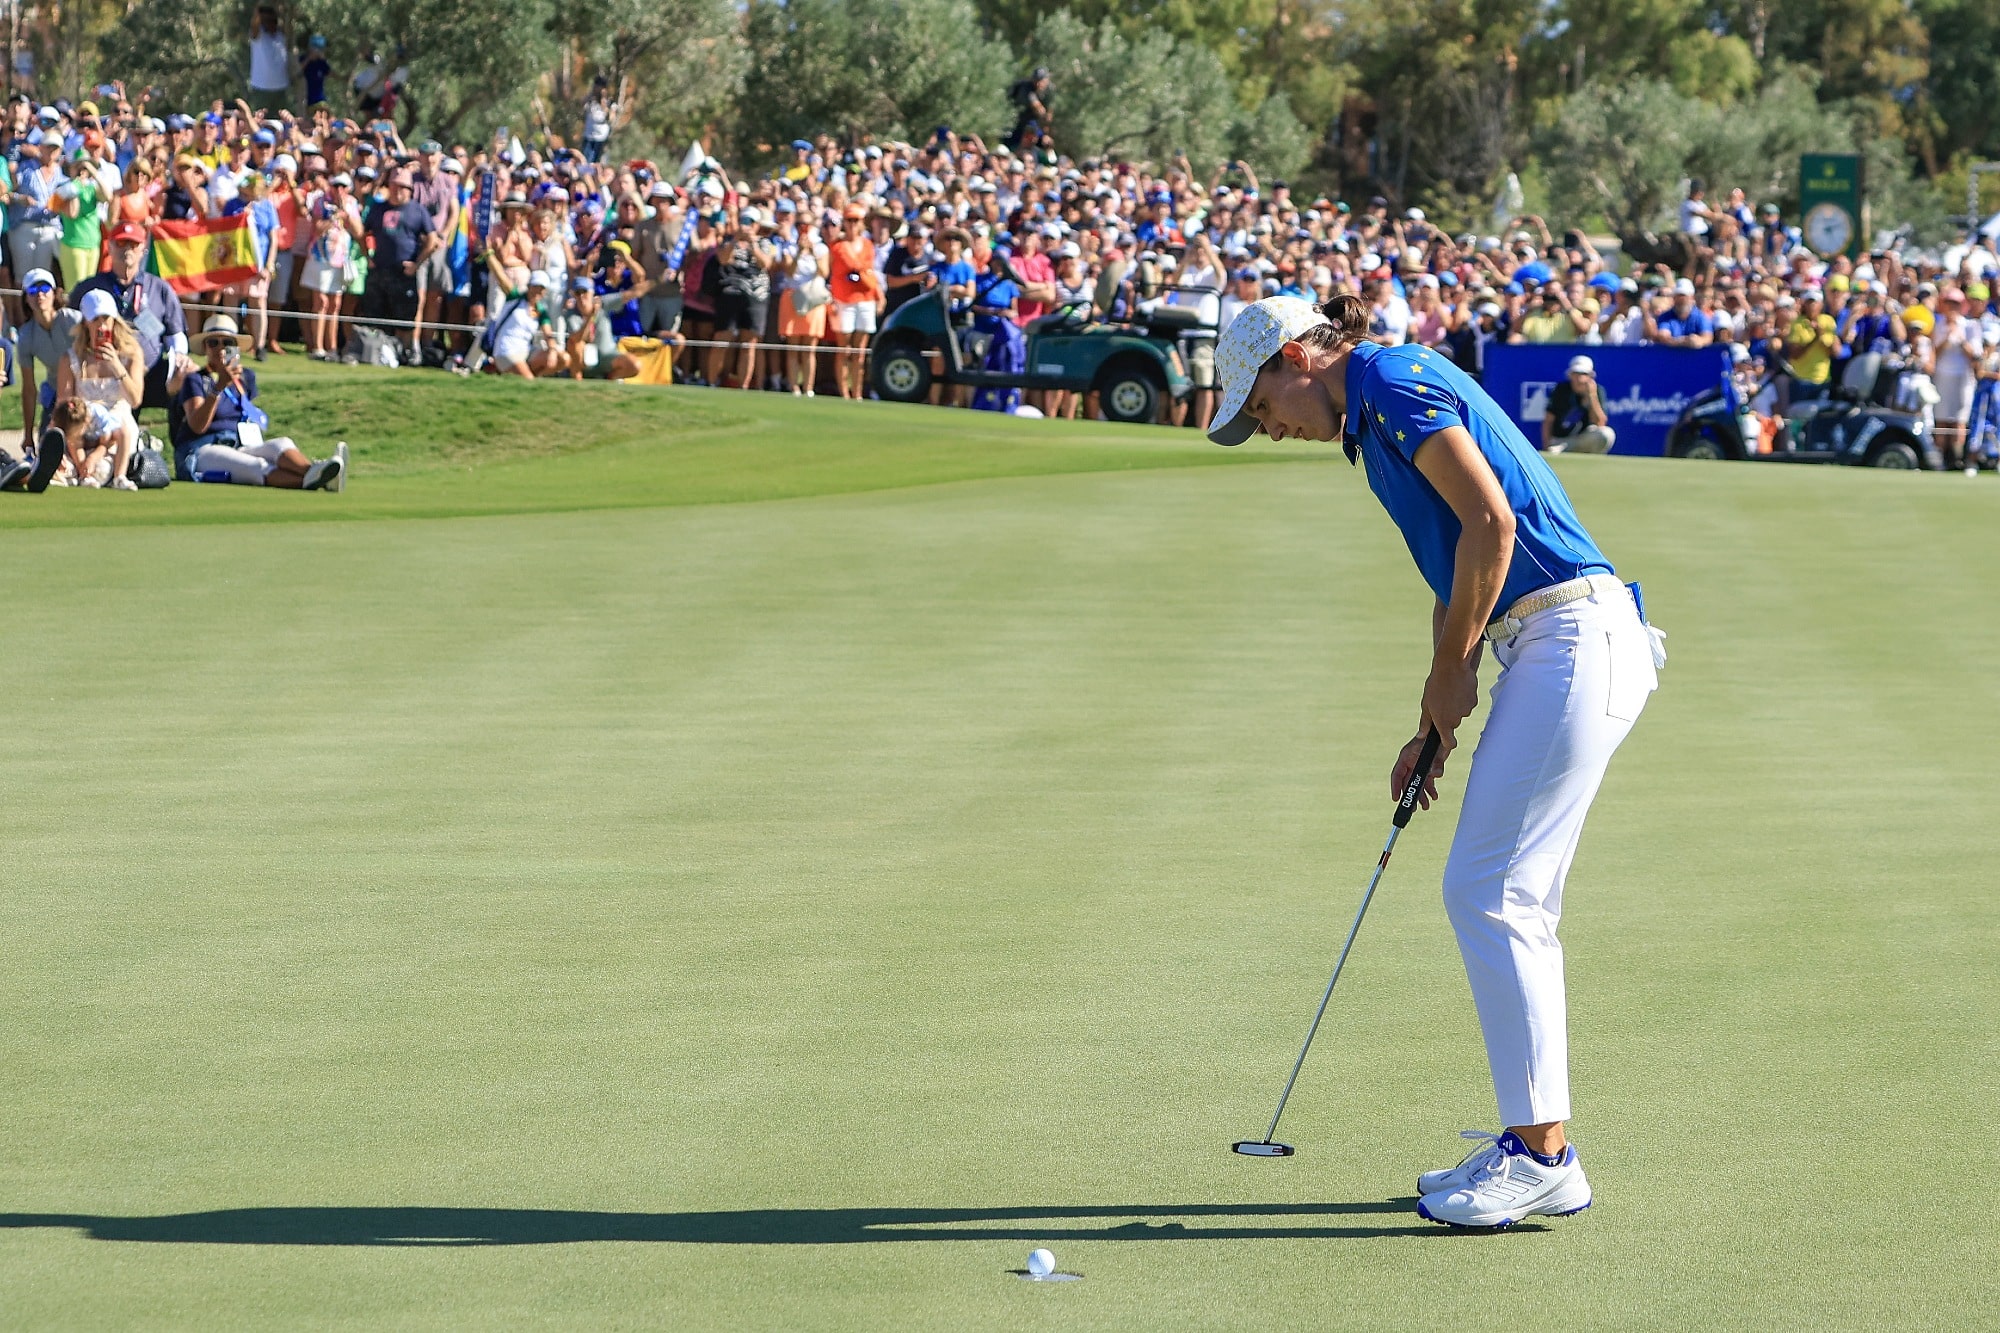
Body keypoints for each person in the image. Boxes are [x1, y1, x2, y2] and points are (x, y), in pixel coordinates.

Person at [1206, 293, 1660, 1229]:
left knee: (1492, 891)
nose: (1272, 429)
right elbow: (1461, 564)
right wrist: (1435, 719)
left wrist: (1452, 672)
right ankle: (1542, 1151)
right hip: (1546, 643)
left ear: (1295, 356)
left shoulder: (1393, 379)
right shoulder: (1369, 420)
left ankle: (1541, 1152)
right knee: (1507, 893)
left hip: (1573, 635)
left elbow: (1494, 528)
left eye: (1261, 406)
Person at [174, 314, 342, 488]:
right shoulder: (196, 379)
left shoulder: (245, 377)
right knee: (255, 466)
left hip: (239, 444)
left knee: (281, 444)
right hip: (203, 448)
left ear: (236, 348)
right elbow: (197, 426)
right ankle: (315, 479)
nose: (221, 349)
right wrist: (218, 387)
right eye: (214, 343)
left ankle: (314, 472)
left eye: (228, 343)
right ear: (205, 348)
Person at [70, 220, 188, 411]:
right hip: (105, 373)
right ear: (109, 246)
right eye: (121, 243)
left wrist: (180, 358)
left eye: (133, 244)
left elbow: (176, 334)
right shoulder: (89, 287)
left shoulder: (159, 288)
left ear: (143, 249)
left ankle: (185, 439)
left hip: (152, 371)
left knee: (189, 381)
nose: (127, 250)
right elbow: (72, 329)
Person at [54, 288, 144, 489]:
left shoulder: (131, 354)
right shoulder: (71, 358)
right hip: (82, 427)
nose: (102, 325)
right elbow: (64, 407)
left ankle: (112, 474)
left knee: (101, 471)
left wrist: (116, 366)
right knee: (64, 470)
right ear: (85, 322)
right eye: (95, 319)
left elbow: (135, 399)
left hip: (117, 431)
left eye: (106, 318)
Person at [359, 168, 437, 361]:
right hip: (380, 270)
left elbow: (432, 240)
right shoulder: (378, 208)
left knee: (405, 320)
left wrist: (417, 263)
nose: (398, 190)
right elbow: (362, 232)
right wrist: (366, 256)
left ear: (410, 189)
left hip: (404, 273)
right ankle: (377, 354)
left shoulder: (418, 211)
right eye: (394, 186)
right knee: (375, 316)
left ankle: (403, 354)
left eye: (402, 187)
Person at [826, 202, 882, 400]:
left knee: (859, 350)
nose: (851, 224)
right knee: (844, 348)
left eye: (855, 220)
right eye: (848, 220)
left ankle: (857, 392)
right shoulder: (838, 246)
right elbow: (831, 272)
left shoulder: (867, 245)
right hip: (844, 299)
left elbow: (870, 272)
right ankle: (844, 392)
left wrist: (878, 295)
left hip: (864, 299)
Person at [1542, 354, 1615, 454]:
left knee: (1607, 434)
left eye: (1583, 374)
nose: (1579, 378)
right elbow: (1548, 421)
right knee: (1552, 451)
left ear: (1591, 376)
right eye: (1576, 373)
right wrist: (1546, 446)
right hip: (1562, 442)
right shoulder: (1560, 390)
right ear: (1570, 375)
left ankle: (1593, 464)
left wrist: (1592, 396)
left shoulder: (1597, 390)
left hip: (1584, 440)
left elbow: (1600, 423)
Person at [247, 8, 292, 111]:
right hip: (262, 88)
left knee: (282, 123)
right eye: (267, 20)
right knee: (261, 122)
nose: (271, 23)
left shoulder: (280, 36)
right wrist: (259, 7)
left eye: (273, 20)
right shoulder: (258, 36)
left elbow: (287, 18)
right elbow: (254, 21)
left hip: (281, 87)